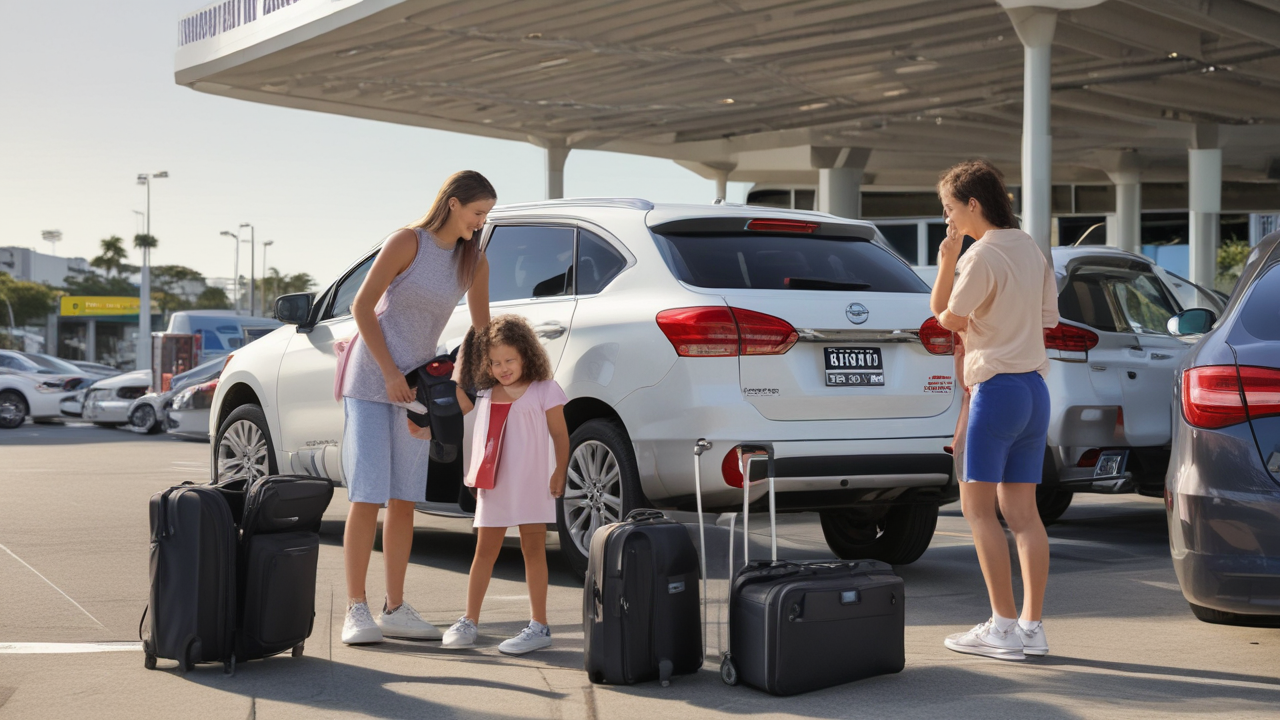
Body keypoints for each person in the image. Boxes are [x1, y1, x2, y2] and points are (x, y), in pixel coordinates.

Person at [339, 170, 495, 645]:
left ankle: (395, 607)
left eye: (486, 215)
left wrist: (465, 390)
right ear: (452, 204)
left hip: (421, 389)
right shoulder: (408, 242)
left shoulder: (474, 262)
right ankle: (356, 609)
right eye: (477, 212)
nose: (481, 222)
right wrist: (388, 372)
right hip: (372, 379)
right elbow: (362, 307)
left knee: (405, 498)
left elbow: (480, 334)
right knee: (368, 493)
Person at [931, 159, 1059, 661]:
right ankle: (1031, 627)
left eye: (949, 209)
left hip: (997, 390)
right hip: (1034, 389)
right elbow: (1046, 319)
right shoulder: (1030, 247)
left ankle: (1002, 628)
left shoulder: (980, 256)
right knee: (1024, 515)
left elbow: (946, 318)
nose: (948, 219)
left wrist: (947, 262)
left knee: (977, 510)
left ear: (973, 205)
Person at [441, 315, 570, 655]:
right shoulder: (484, 392)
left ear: (527, 354)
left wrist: (560, 471)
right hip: (494, 484)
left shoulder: (546, 389)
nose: (503, 368)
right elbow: (457, 399)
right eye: (495, 362)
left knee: (533, 549)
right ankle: (469, 620)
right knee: (485, 551)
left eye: (509, 360)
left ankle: (539, 626)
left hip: (532, 481)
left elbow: (560, 435)